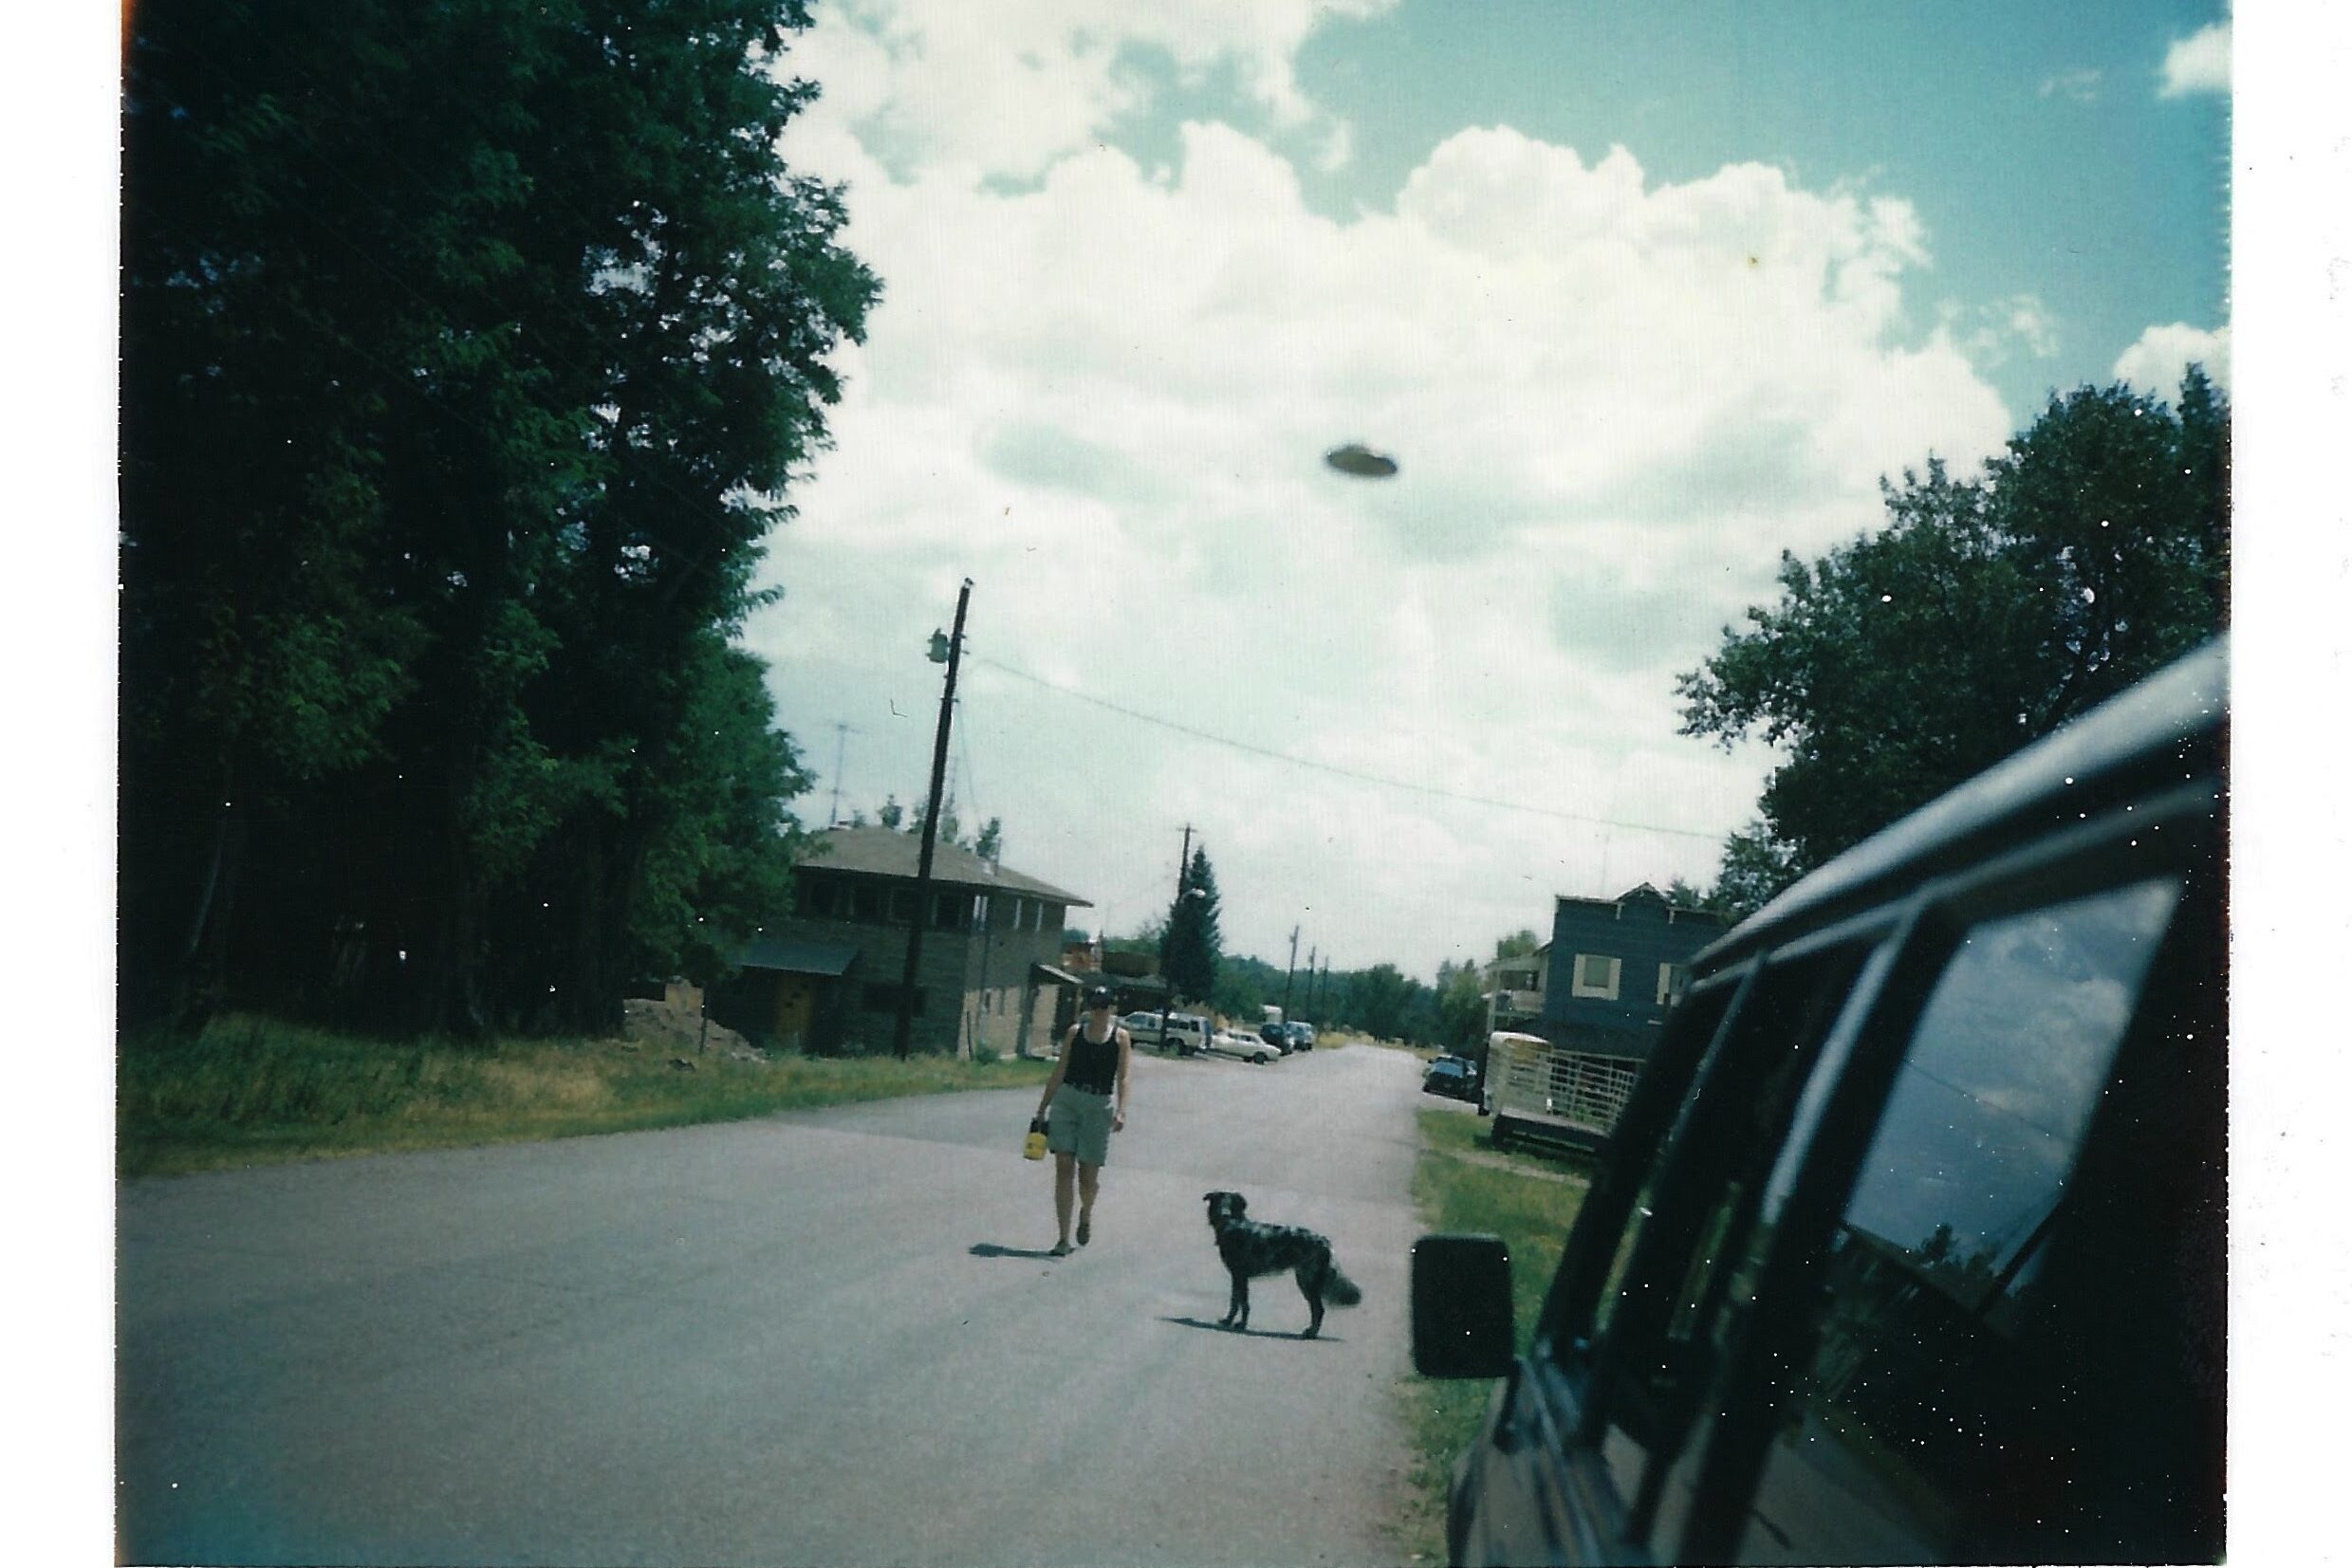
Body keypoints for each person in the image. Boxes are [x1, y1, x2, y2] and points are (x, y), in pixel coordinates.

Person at [1033, 986, 1131, 1256]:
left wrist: (1121, 1110)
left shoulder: (1121, 1038)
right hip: (1067, 1100)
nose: (1099, 1011)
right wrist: (1043, 1107)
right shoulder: (1075, 1033)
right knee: (1064, 1166)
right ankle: (1063, 1239)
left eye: (1104, 1005)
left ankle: (1086, 1213)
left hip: (1098, 1106)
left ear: (1112, 1008)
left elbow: (1123, 1076)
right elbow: (1060, 1069)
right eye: (1095, 1005)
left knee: (1088, 1178)